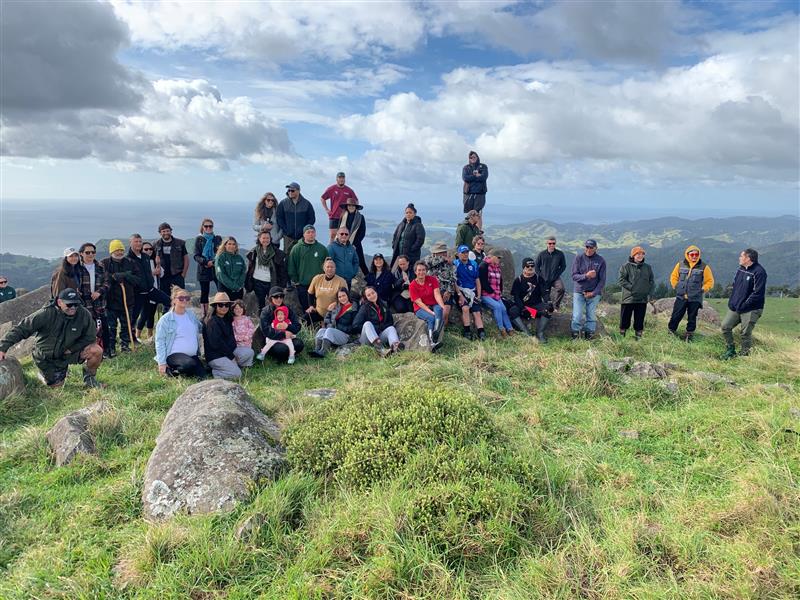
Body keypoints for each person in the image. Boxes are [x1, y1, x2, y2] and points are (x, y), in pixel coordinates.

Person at [0, 288, 104, 388]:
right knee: (57, 386)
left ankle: (89, 380)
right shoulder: (45, 314)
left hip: (68, 353)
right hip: (46, 357)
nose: (73, 307)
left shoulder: (83, 314)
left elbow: (90, 337)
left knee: (96, 351)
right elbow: (21, 329)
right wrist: (2, 348)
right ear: (59, 302)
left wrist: (71, 350)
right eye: (69, 304)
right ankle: (44, 375)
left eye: (76, 304)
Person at [721, 248, 767, 359]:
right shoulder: (741, 269)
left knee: (745, 333)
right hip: (736, 306)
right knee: (725, 326)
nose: (739, 258)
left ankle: (744, 354)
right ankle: (730, 350)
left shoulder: (759, 272)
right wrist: (732, 302)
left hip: (751, 308)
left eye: (741, 256)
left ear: (748, 258)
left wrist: (744, 305)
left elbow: (757, 293)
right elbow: (735, 286)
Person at [154, 287, 205, 377]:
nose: (184, 300)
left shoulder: (191, 315)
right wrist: (161, 363)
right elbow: (160, 341)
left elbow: (201, 327)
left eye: (187, 298)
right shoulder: (166, 319)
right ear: (174, 300)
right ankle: (170, 370)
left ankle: (183, 371)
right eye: (181, 298)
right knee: (189, 365)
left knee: (201, 374)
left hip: (192, 355)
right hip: (173, 355)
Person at [101, 239, 141, 355]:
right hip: (110, 301)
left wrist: (125, 276)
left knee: (126, 325)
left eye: (121, 250)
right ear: (111, 251)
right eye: (117, 250)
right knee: (111, 327)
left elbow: (137, 280)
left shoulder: (130, 262)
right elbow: (103, 277)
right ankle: (111, 347)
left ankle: (125, 345)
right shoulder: (104, 263)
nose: (119, 252)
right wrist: (113, 277)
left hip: (127, 301)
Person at [668, 245, 714, 341]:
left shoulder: (704, 267)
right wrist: (676, 286)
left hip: (695, 298)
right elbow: (673, 276)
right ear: (687, 254)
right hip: (681, 296)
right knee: (676, 314)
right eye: (692, 254)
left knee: (692, 317)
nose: (694, 256)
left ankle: (689, 335)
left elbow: (710, 281)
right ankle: (671, 331)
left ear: (699, 255)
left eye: (696, 254)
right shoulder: (680, 264)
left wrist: (702, 289)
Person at [128, 233, 171, 339]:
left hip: (150, 290)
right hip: (138, 293)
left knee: (170, 301)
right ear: (131, 243)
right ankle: (130, 339)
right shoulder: (128, 259)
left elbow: (148, 273)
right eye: (136, 241)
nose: (138, 244)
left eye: (140, 241)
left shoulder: (145, 257)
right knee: (134, 316)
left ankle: (167, 326)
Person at [203, 292, 254, 379]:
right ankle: (215, 372)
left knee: (249, 352)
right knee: (237, 374)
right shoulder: (212, 322)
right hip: (216, 356)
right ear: (215, 306)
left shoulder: (227, 319)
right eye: (221, 305)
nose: (224, 307)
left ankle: (231, 367)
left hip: (229, 352)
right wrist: (231, 357)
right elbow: (217, 344)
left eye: (226, 305)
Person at [77, 243, 110, 356]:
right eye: (87, 252)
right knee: (87, 328)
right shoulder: (78, 268)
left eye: (93, 252)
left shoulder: (100, 266)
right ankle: (88, 353)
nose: (91, 254)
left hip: (100, 302)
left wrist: (99, 292)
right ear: (81, 253)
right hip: (84, 303)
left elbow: (107, 282)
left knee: (104, 327)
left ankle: (106, 351)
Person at [288, 224, 329, 316]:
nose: (311, 234)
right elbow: (291, 265)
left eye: (313, 232)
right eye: (308, 232)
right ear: (304, 234)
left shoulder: (322, 249)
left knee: (319, 307)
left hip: (319, 285)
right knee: (306, 309)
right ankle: (308, 327)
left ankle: (318, 327)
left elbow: (328, 265)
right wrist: (296, 280)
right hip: (303, 284)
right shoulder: (297, 248)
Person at [258, 286, 305, 363]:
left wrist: (288, 326)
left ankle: (288, 356)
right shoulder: (265, 312)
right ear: (271, 298)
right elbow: (266, 330)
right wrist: (283, 334)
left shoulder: (287, 309)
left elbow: (297, 326)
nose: (279, 299)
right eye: (276, 297)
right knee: (282, 349)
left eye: (281, 296)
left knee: (299, 344)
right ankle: (283, 357)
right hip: (273, 340)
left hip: (288, 339)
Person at [571, 239, 606, 340]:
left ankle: (589, 337)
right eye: (587, 247)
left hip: (594, 293)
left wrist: (594, 293)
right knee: (577, 315)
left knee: (591, 316)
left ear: (596, 248)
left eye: (591, 247)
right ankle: (576, 338)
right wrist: (586, 276)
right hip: (579, 291)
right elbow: (574, 276)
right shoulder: (579, 258)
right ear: (584, 247)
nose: (589, 249)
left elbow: (602, 280)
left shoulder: (601, 261)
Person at [245, 230, 288, 313]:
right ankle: (262, 321)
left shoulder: (276, 253)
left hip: (271, 282)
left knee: (275, 304)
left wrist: (283, 284)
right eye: (263, 238)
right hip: (257, 281)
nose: (266, 240)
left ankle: (276, 320)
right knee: (260, 304)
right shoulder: (254, 252)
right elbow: (250, 268)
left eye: (267, 238)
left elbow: (282, 270)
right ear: (259, 239)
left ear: (270, 239)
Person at [309, 287, 358, 358]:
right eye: (340, 297)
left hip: (346, 335)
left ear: (348, 295)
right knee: (321, 330)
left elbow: (354, 326)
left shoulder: (354, 308)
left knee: (329, 330)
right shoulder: (337, 307)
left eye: (344, 296)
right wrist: (329, 312)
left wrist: (336, 327)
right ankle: (317, 350)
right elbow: (327, 319)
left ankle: (323, 352)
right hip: (333, 331)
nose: (342, 298)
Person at [512, 258, 552, 343]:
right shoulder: (518, 280)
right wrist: (522, 308)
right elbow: (516, 297)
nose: (530, 268)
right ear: (523, 267)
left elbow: (544, 293)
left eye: (532, 266)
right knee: (512, 311)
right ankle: (527, 334)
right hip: (523, 307)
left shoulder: (539, 279)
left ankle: (539, 334)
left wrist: (548, 302)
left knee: (548, 309)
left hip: (536, 306)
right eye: (527, 266)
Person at [353, 285, 402, 356]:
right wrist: (374, 328)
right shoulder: (364, 308)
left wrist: (381, 327)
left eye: (373, 293)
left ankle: (395, 348)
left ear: (376, 292)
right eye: (369, 295)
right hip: (366, 339)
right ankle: (381, 350)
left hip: (378, 337)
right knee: (367, 324)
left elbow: (390, 321)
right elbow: (355, 325)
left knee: (391, 328)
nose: (372, 296)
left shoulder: (383, 304)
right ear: (366, 297)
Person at [618, 246, 654, 339]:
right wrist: (634, 288)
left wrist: (649, 292)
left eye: (642, 254)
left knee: (639, 319)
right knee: (625, 319)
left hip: (642, 298)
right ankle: (622, 336)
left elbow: (651, 281)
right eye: (638, 254)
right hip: (628, 298)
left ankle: (638, 337)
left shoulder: (648, 267)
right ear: (633, 255)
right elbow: (621, 280)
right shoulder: (625, 266)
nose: (640, 255)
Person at [410, 261, 447, 348]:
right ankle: (432, 341)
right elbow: (418, 302)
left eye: (423, 270)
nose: (421, 272)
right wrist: (430, 311)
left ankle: (436, 332)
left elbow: (437, 294)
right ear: (415, 272)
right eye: (419, 270)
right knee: (431, 318)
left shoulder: (432, 279)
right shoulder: (412, 285)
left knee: (439, 309)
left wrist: (442, 306)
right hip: (420, 308)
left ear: (426, 271)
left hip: (433, 304)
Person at [453, 245, 485, 340]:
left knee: (477, 312)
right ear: (458, 254)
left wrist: (478, 295)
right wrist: (459, 295)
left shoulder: (474, 264)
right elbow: (454, 281)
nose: (465, 254)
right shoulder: (455, 264)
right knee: (465, 308)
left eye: (467, 252)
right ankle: (467, 331)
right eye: (463, 253)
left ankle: (481, 332)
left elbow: (477, 280)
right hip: (461, 291)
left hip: (473, 291)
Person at [479, 249, 514, 337]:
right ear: (492, 256)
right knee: (497, 307)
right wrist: (491, 291)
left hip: (496, 294)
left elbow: (500, 281)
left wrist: (499, 292)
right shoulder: (484, 266)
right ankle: (502, 329)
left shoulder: (497, 267)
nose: (499, 259)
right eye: (498, 257)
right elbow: (483, 282)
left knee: (504, 309)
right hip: (485, 294)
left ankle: (510, 329)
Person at [193, 219, 222, 318]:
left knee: (220, 289)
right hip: (203, 269)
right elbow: (196, 256)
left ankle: (220, 311)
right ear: (203, 227)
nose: (208, 228)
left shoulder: (217, 239)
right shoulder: (199, 239)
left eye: (210, 226)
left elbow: (221, 253)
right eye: (206, 226)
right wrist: (205, 262)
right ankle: (204, 315)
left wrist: (212, 262)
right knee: (204, 292)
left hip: (215, 268)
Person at [277, 182, 316, 255]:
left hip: (302, 237)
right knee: (288, 256)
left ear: (298, 191)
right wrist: (286, 230)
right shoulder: (283, 203)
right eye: (289, 190)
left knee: (302, 255)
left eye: (292, 190)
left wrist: (304, 231)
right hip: (288, 237)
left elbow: (312, 219)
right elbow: (279, 218)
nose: (290, 192)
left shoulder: (306, 203)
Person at [423, 241, 456, 327]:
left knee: (445, 312)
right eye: (441, 252)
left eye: (444, 252)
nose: (444, 253)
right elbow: (428, 263)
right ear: (435, 253)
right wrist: (443, 259)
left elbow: (453, 278)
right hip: (431, 291)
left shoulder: (450, 264)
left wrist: (449, 291)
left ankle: (441, 331)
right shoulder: (429, 259)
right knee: (431, 313)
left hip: (445, 291)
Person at [307, 258, 348, 325]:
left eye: (332, 267)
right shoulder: (317, 278)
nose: (330, 269)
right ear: (324, 268)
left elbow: (346, 298)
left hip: (334, 312)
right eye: (327, 267)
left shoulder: (341, 281)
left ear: (335, 268)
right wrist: (311, 306)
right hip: (318, 311)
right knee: (303, 320)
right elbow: (310, 293)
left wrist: (336, 303)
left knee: (329, 329)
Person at [321, 171, 359, 242]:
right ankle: (330, 252)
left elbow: (356, 201)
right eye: (340, 178)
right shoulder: (331, 189)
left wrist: (352, 211)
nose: (341, 179)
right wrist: (326, 209)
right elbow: (322, 198)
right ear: (337, 179)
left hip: (345, 216)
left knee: (344, 236)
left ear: (345, 179)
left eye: (343, 178)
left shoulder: (349, 190)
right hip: (334, 215)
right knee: (332, 235)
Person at [153, 222, 189, 294]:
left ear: (171, 231)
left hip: (177, 275)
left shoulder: (180, 243)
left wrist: (183, 274)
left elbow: (186, 259)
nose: (166, 233)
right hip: (163, 276)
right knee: (166, 298)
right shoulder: (156, 244)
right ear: (160, 233)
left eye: (167, 231)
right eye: (163, 231)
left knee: (180, 296)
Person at [135, 241, 162, 339]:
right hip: (144, 292)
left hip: (154, 290)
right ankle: (137, 335)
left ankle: (150, 335)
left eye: (151, 249)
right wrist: (152, 273)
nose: (149, 251)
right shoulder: (139, 261)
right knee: (144, 313)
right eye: (146, 249)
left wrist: (158, 264)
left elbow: (161, 273)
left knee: (152, 313)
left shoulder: (154, 261)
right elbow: (140, 276)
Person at [535, 236, 567, 311]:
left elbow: (563, 266)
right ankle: (548, 308)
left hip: (555, 278)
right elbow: (536, 267)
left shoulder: (560, 254)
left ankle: (556, 306)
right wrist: (541, 276)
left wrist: (557, 274)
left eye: (553, 243)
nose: (552, 245)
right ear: (547, 244)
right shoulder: (541, 254)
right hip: (544, 279)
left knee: (561, 289)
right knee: (546, 296)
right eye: (550, 243)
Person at [339, 197, 368, 276]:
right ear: (347, 207)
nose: (351, 207)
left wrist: (354, 244)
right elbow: (339, 230)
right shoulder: (343, 216)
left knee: (361, 262)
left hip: (356, 243)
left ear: (356, 207)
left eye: (353, 205)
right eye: (349, 205)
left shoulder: (360, 217)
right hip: (343, 243)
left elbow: (362, 232)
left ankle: (370, 280)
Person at [390, 203, 425, 268]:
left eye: (410, 212)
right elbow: (395, 236)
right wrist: (393, 245)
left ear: (414, 214)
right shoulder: (401, 224)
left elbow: (420, 240)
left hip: (411, 256)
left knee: (410, 273)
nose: (408, 214)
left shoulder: (418, 225)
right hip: (399, 255)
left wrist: (411, 250)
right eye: (406, 213)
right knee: (397, 272)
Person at [461, 150, 488, 230]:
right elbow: (465, 178)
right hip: (468, 193)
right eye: (470, 157)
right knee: (470, 213)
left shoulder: (483, 166)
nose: (472, 158)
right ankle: (470, 230)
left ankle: (478, 232)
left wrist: (473, 177)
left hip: (480, 193)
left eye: (474, 157)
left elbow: (484, 177)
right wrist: (476, 175)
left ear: (477, 157)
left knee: (478, 213)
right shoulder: (466, 167)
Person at [214, 236, 246, 301]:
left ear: (236, 246)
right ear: (225, 245)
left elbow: (243, 272)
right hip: (224, 289)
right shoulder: (220, 258)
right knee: (225, 309)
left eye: (233, 244)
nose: (231, 246)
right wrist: (233, 286)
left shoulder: (239, 258)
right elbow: (220, 274)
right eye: (229, 244)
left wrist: (238, 285)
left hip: (238, 289)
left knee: (237, 309)